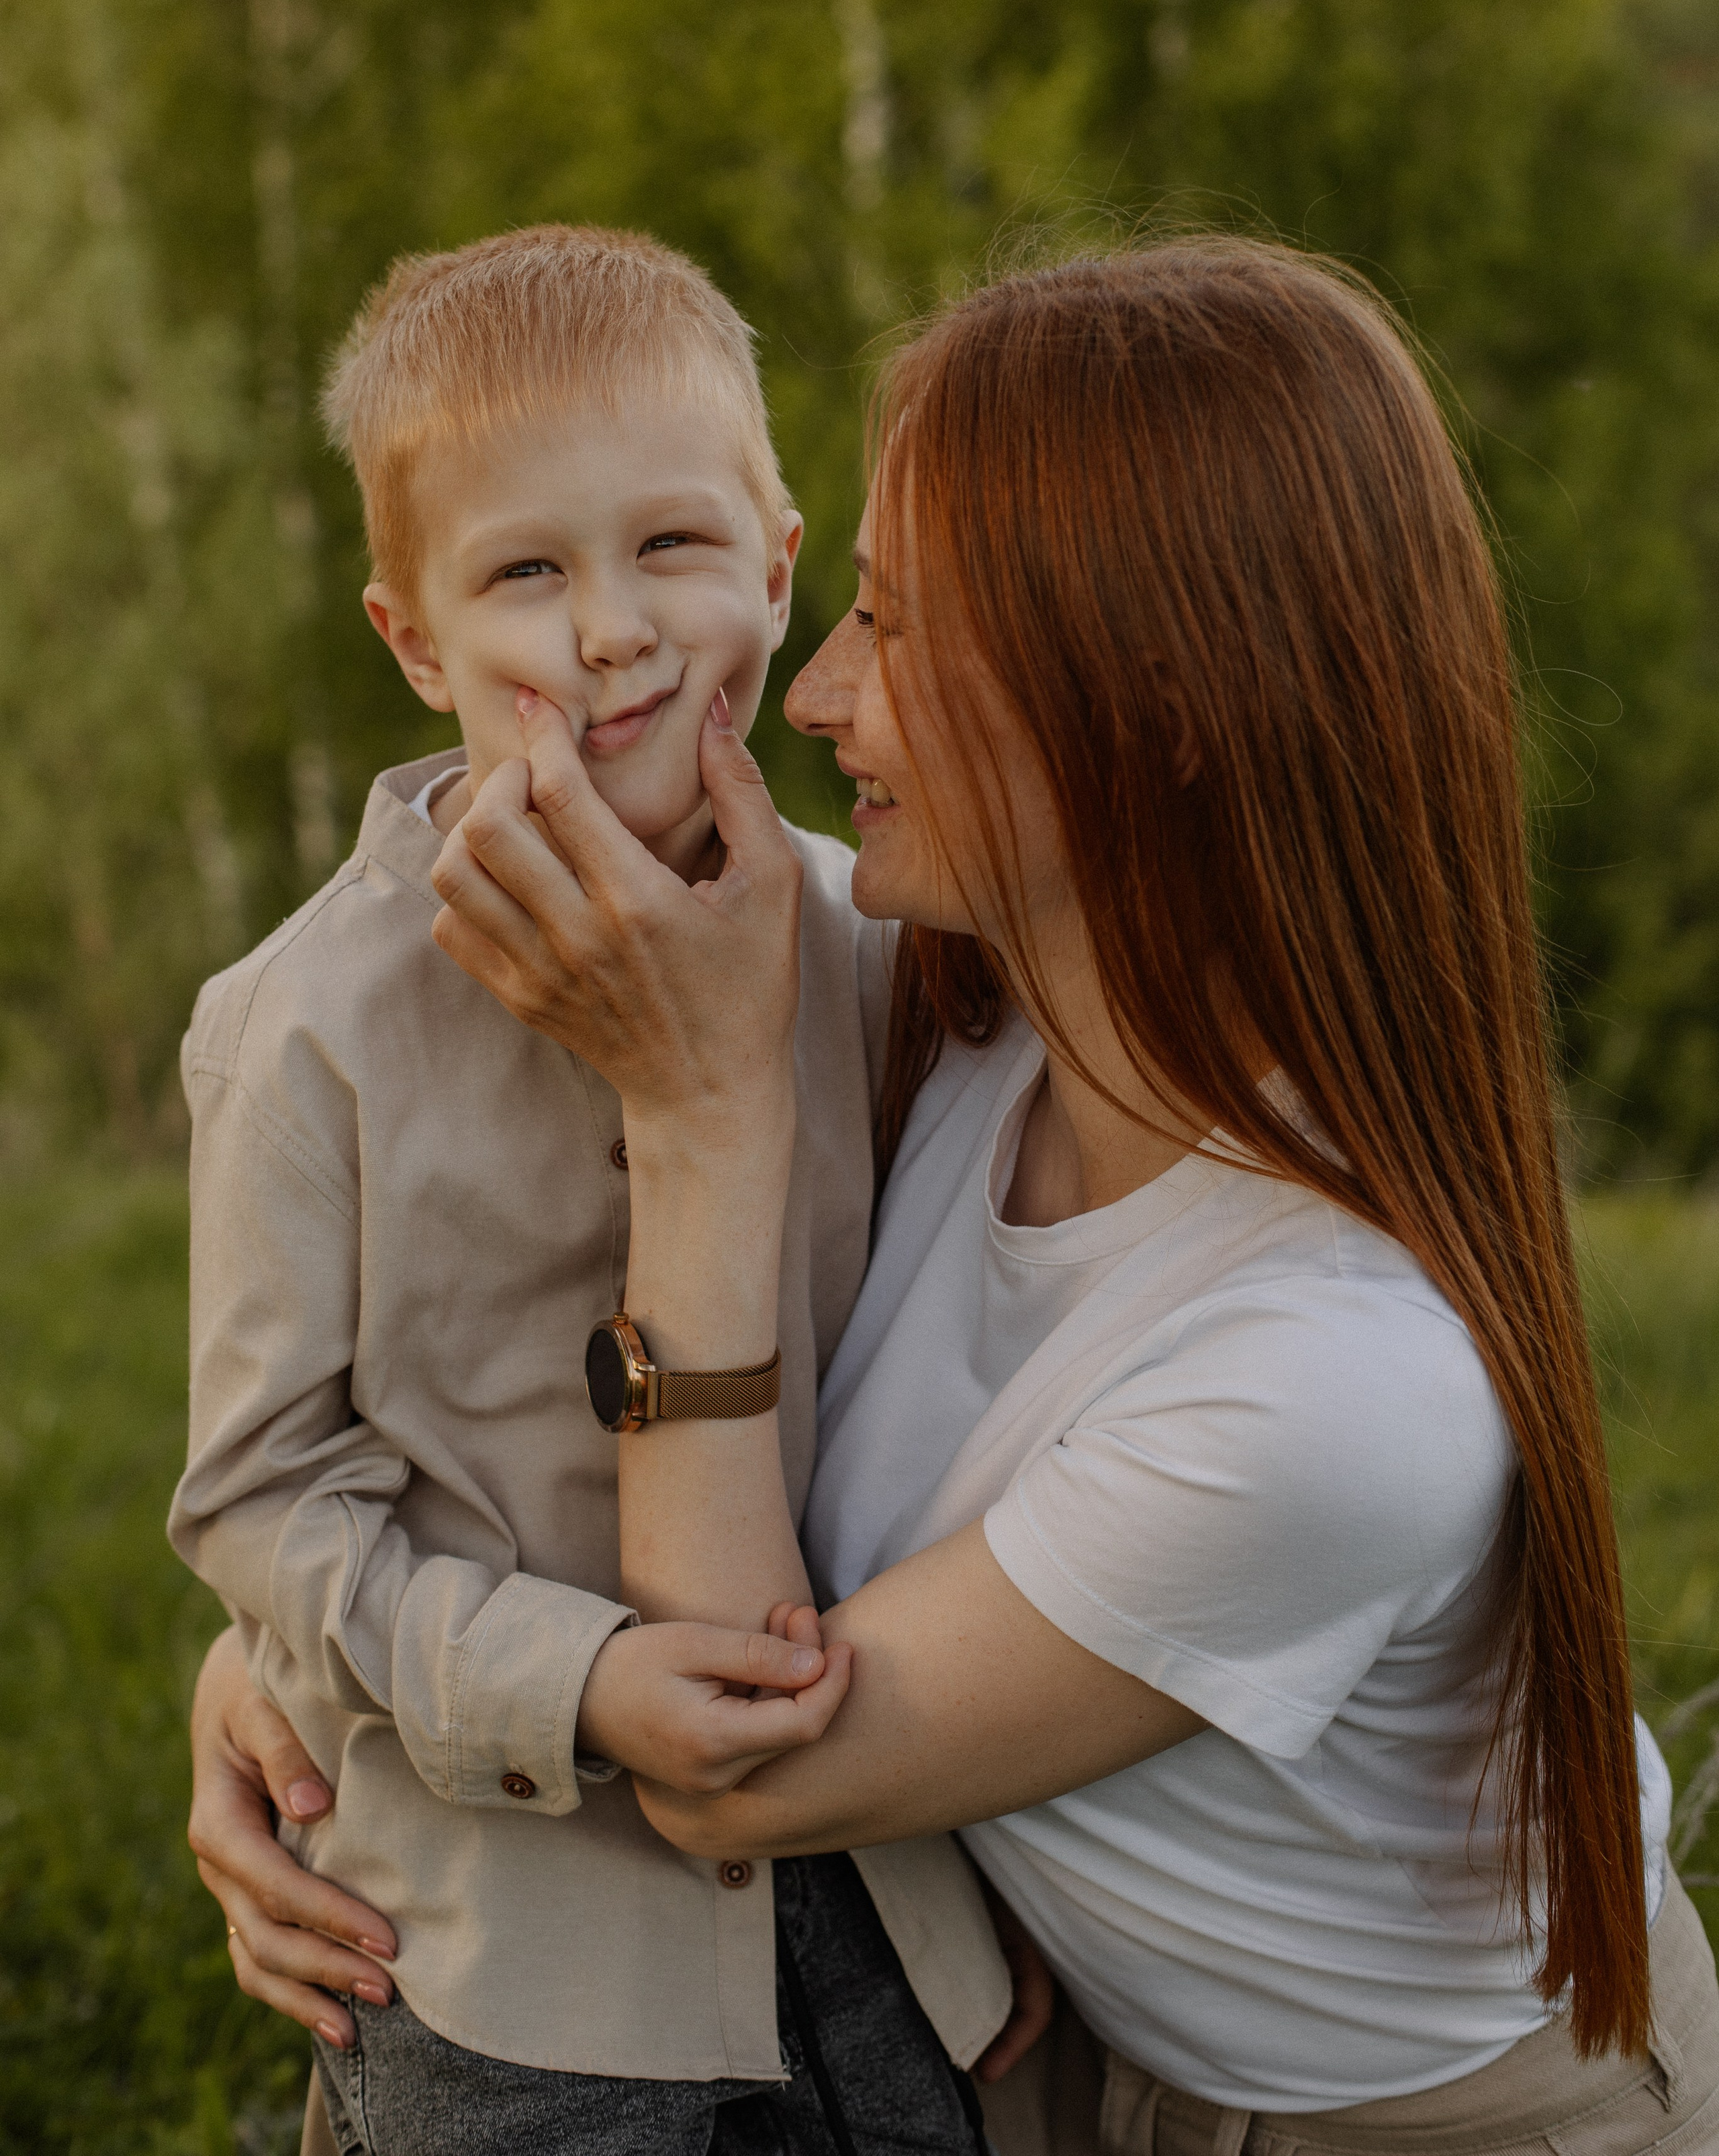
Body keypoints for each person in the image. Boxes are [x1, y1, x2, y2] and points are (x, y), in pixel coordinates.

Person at [193, 240, 1719, 2156]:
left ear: (1155, 707)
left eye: (897, 627)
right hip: (1066, 2051)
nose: (816, 691)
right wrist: (289, 1680)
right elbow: (359, 1449)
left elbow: (739, 1776)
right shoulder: (953, 1021)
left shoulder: (1334, 1391)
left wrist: (700, 1118)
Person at [168, 222, 1017, 2156]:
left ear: (780, 569)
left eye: (672, 546)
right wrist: (577, 1685)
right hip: (503, 1960)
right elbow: (263, 1505)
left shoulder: (883, 952)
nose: (615, 629)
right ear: (413, 638)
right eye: (528, 573)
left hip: (881, 1893)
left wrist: (980, 1904)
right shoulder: (304, 1031)